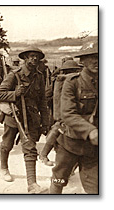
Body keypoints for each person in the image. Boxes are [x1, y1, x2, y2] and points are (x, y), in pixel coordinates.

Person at [0, 46, 49, 193]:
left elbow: (42, 102)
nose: (34, 59)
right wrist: (15, 93)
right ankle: (4, 167)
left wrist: (45, 122)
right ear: (25, 58)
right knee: (7, 144)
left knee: (30, 148)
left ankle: (32, 184)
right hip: (14, 116)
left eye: (37, 56)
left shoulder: (39, 76)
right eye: (31, 56)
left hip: (30, 118)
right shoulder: (15, 75)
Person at [49, 42, 98, 194]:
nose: (97, 61)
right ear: (82, 61)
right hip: (69, 143)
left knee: (94, 187)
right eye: (91, 58)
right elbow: (68, 114)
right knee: (59, 180)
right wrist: (90, 130)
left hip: (92, 147)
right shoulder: (72, 83)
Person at [39, 60, 82, 166]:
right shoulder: (65, 80)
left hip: (64, 112)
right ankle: (45, 155)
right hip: (66, 112)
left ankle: (48, 156)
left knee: (59, 132)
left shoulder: (58, 80)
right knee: (59, 131)